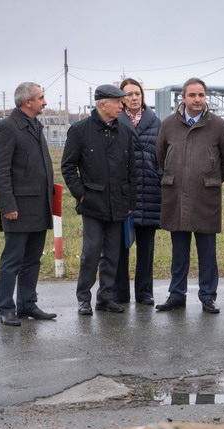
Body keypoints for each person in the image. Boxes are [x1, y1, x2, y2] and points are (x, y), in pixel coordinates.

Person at [155, 77, 224, 314]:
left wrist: (212, 179)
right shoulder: (169, 124)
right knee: (179, 252)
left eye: (201, 95)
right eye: (192, 95)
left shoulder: (218, 126)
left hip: (205, 198)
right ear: (183, 98)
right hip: (176, 198)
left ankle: (208, 296)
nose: (197, 99)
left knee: (207, 253)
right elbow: (161, 156)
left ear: (205, 97)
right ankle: (176, 295)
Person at [61, 84, 136, 315]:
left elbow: (132, 171)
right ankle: (84, 298)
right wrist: (81, 194)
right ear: (103, 103)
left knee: (112, 254)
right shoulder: (80, 131)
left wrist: (129, 203)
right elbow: (68, 167)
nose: (122, 107)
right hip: (93, 203)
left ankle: (106, 297)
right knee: (91, 253)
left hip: (118, 205)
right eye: (118, 102)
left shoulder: (125, 132)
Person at [0, 82, 57, 326]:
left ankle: (27, 304)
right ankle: (6, 308)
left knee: (32, 259)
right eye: (41, 98)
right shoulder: (8, 127)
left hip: (39, 207)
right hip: (18, 209)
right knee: (12, 260)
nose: (45, 102)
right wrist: (7, 205)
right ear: (27, 101)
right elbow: (1, 170)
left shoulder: (35, 126)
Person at [115, 78, 162, 306]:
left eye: (137, 93)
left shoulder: (156, 123)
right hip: (123, 193)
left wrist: (159, 178)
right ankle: (120, 292)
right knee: (121, 245)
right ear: (121, 98)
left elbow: (163, 156)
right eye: (129, 94)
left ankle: (145, 292)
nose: (134, 98)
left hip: (149, 190)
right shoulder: (115, 120)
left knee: (147, 247)